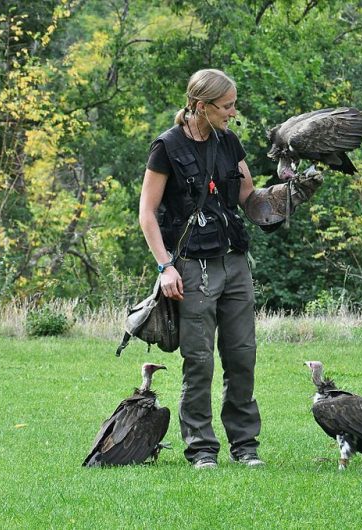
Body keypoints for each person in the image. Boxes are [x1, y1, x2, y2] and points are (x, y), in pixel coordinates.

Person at [139, 69, 322, 469]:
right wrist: (164, 266)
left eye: (234, 104)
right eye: (226, 106)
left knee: (242, 356)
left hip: (234, 262)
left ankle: (245, 445)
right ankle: (202, 448)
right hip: (190, 267)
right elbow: (147, 214)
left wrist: (287, 197)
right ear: (200, 106)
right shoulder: (166, 147)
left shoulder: (229, 142)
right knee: (200, 359)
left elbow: (250, 200)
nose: (233, 112)